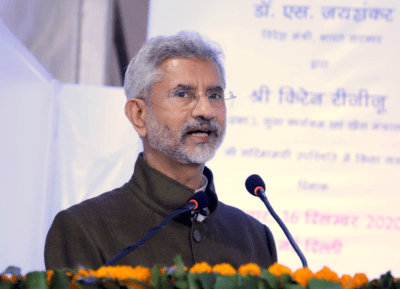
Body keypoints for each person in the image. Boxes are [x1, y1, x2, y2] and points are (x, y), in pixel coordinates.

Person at [44, 31, 277, 270]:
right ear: (139, 115)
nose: (206, 110)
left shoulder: (255, 237)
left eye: (214, 95)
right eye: (183, 94)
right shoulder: (85, 228)